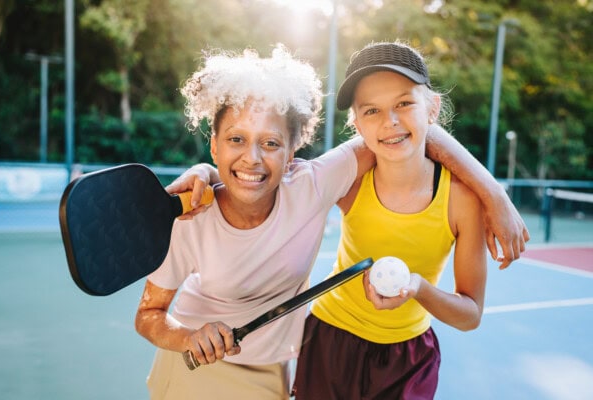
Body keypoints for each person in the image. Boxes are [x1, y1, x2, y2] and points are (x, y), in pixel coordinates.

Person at [136, 44, 528, 399]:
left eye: (271, 143)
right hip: (201, 370)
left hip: (274, 371)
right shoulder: (192, 215)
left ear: (292, 152)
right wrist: (189, 337)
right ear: (215, 144)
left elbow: (405, 132)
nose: (253, 158)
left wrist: (492, 193)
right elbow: (148, 315)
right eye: (236, 140)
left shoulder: (315, 184)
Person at [292, 41, 491, 399]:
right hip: (329, 340)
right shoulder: (351, 181)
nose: (390, 122)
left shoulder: (462, 201)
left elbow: (471, 314)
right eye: (371, 111)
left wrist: (419, 288)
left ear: (432, 108)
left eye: (404, 103)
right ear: (356, 125)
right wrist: (204, 174)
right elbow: (274, 184)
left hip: (409, 359)